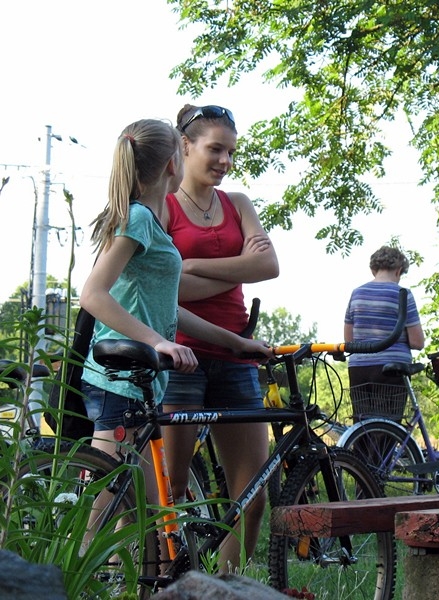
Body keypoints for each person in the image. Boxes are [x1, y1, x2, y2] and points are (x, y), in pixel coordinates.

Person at [80, 118, 272, 508]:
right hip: (119, 379)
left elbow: (168, 309)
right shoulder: (137, 218)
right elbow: (92, 295)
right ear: (173, 162)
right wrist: (158, 342)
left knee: (148, 513)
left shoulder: (149, 223)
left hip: (141, 380)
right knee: (104, 510)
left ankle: (128, 555)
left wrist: (235, 343)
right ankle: (72, 553)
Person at [159, 104, 280, 572]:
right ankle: (163, 584)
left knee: (252, 496)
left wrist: (191, 266)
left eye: (230, 152)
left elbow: (268, 265)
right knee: (171, 492)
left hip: (237, 354)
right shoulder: (164, 206)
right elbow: (164, 288)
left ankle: (224, 589)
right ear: (185, 146)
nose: (225, 161)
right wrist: (236, 268)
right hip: (179, 357)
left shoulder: (238, 204)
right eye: (215, 149)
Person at [343, 246, 425, 414]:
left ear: (373, 270)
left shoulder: (357, 294)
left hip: (359, 368)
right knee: (388, 425)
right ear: (399, 271)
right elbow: (417, 342)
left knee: (364, 425)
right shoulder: (403, 294)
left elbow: (349, 341)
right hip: (392, 368)